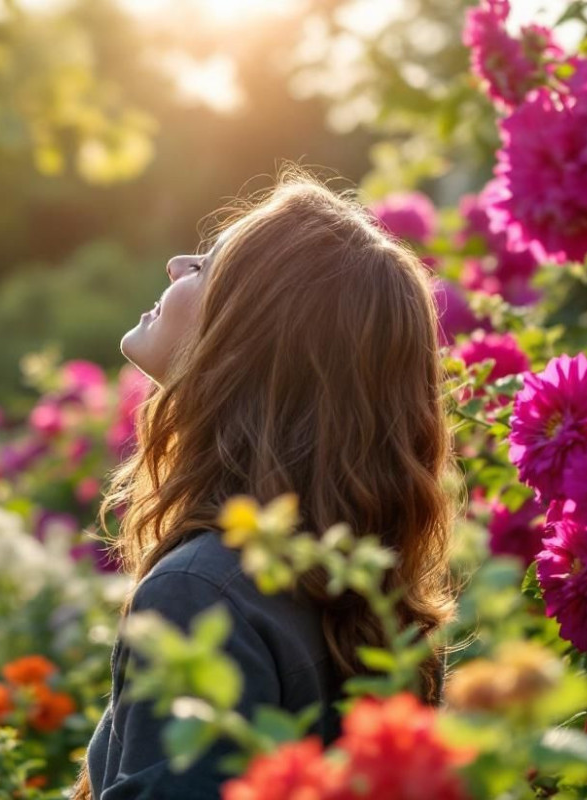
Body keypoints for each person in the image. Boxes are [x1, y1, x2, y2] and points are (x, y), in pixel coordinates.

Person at [72, 168, 458, 799]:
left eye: (206, 266)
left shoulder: (198, 593)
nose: (175, 263)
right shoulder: (364, 599)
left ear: (248, 337)